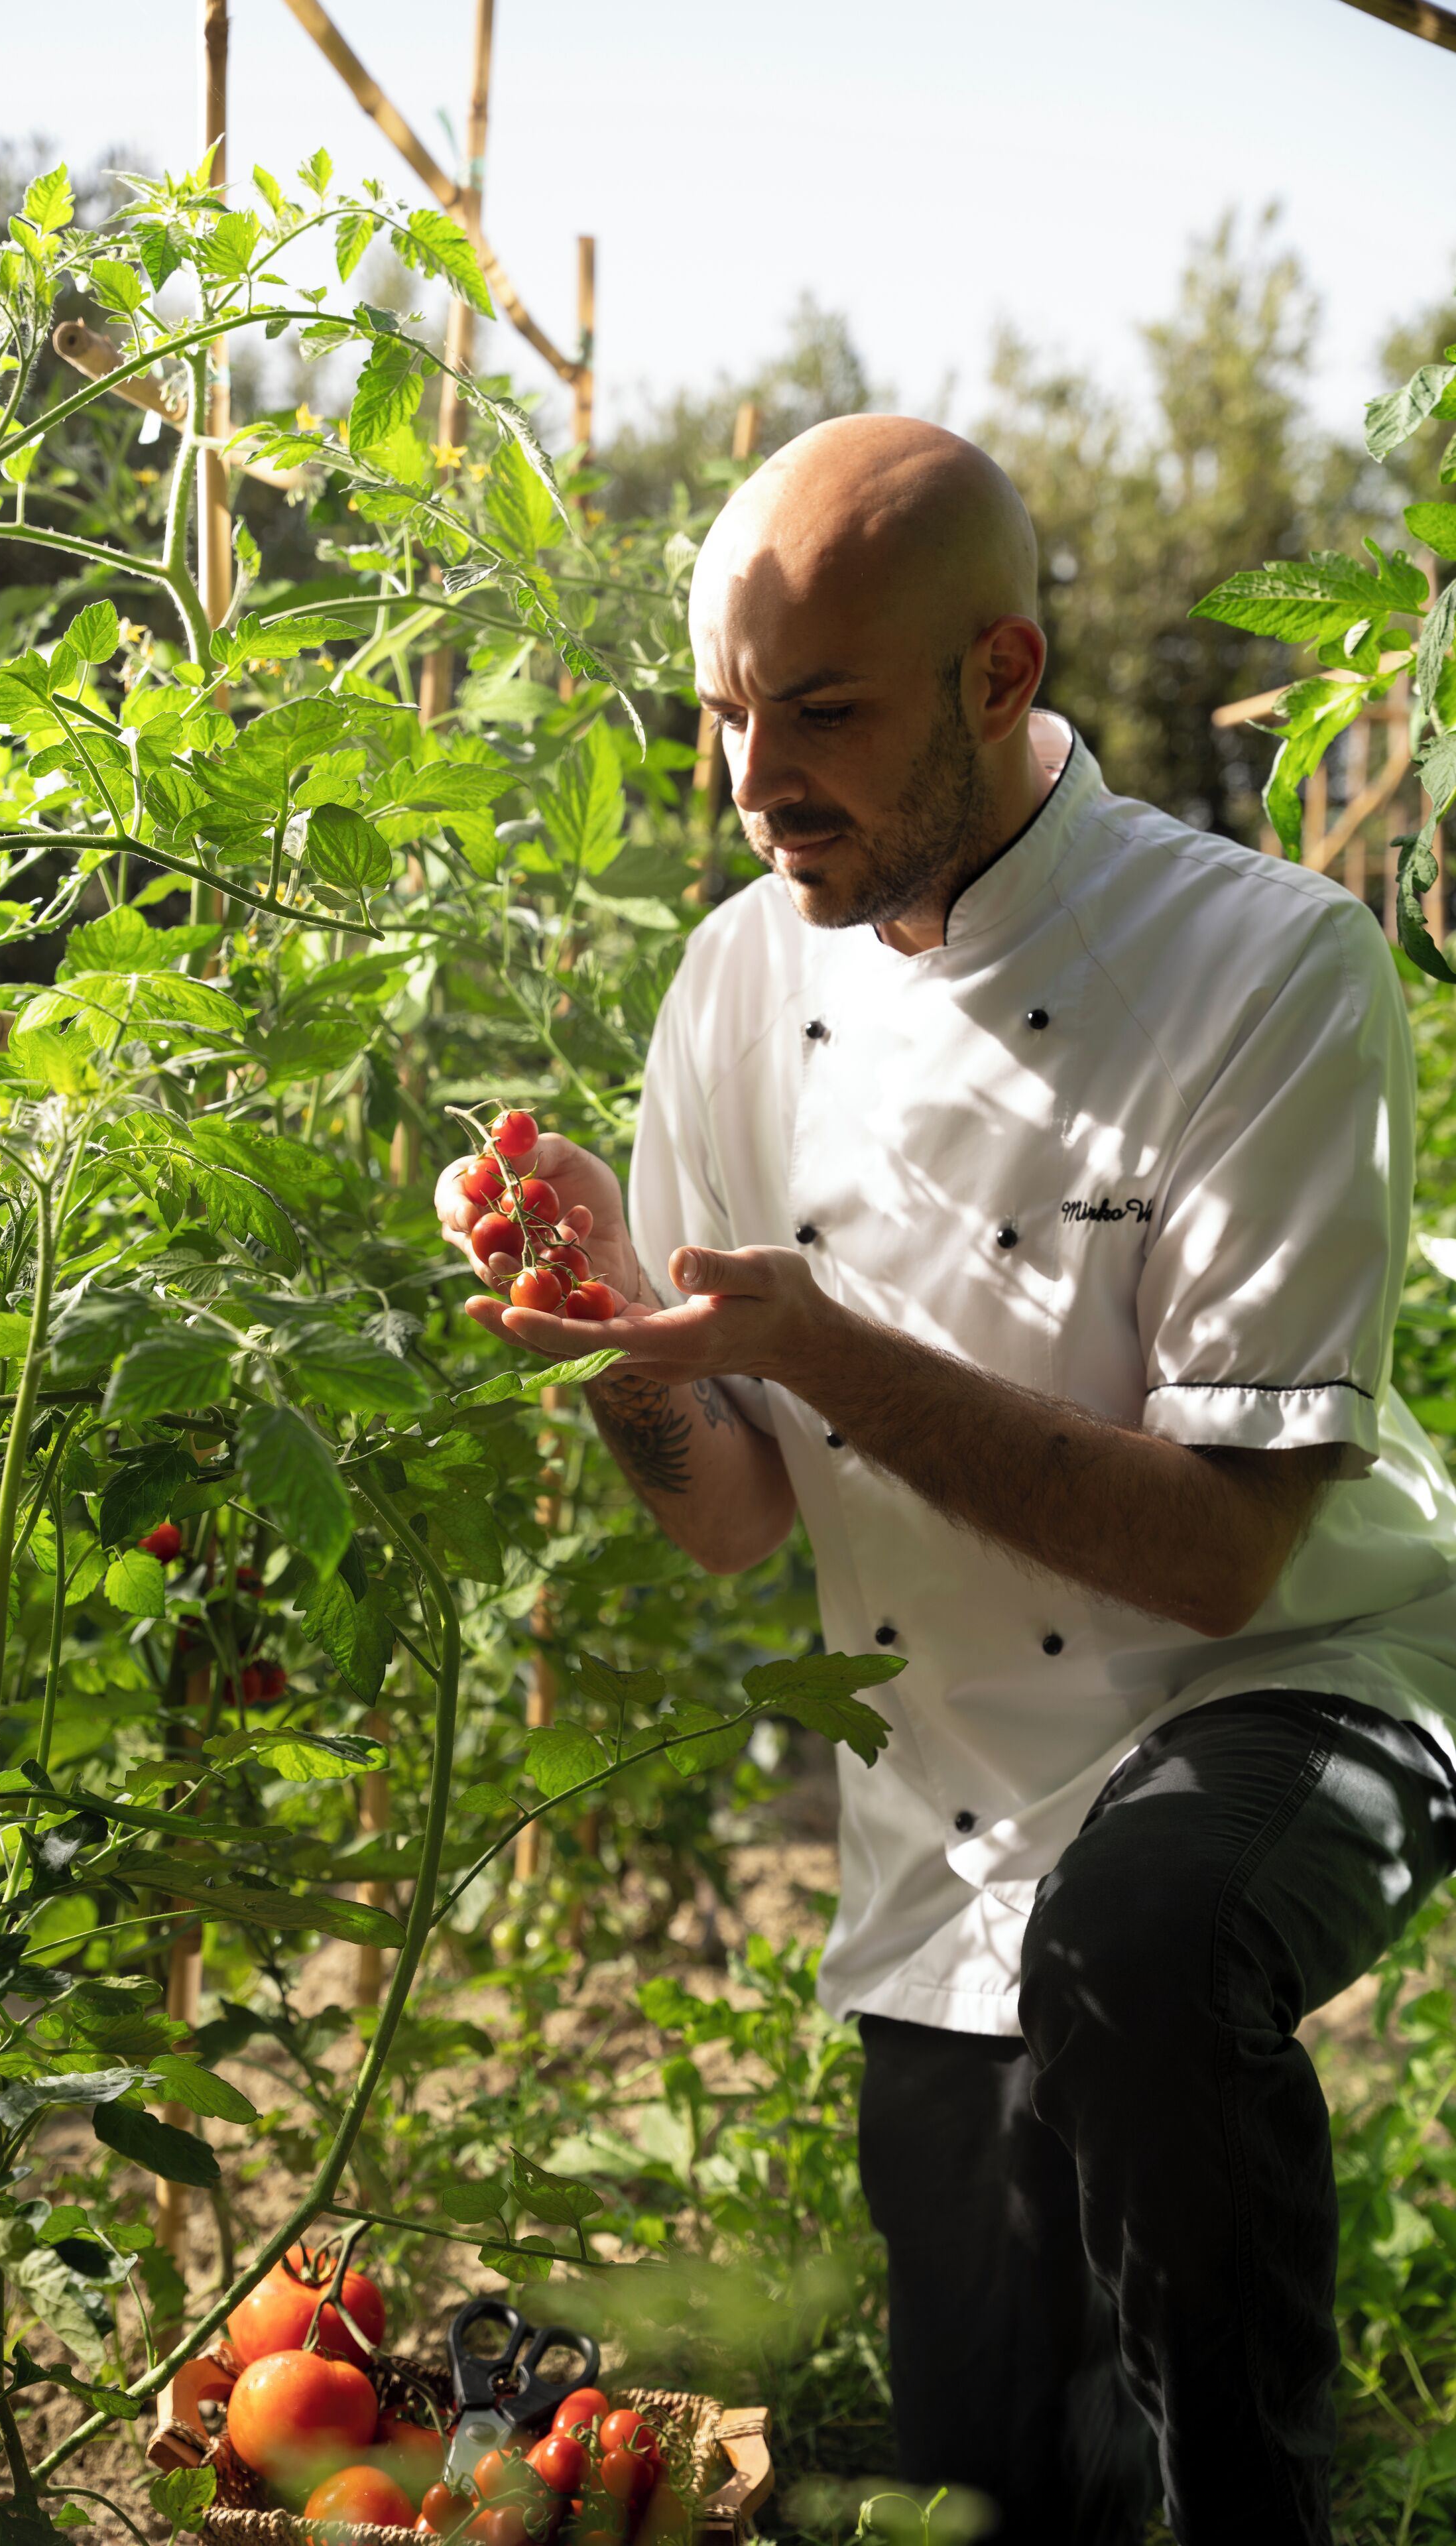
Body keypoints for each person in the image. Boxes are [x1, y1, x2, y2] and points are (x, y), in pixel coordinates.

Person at [433, 414, 1456, 2546]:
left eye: (816, 711)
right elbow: (730, 1514)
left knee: (1146, 1957)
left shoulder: (1266, 970)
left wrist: (813, 1344)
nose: (748, 777)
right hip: (950, 1801)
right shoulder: (734, 984)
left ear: (1002, 675)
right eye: (723, 710)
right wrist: (621, 1347)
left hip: (1301, 1670)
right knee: (993, 2459)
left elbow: (1213, 1547)